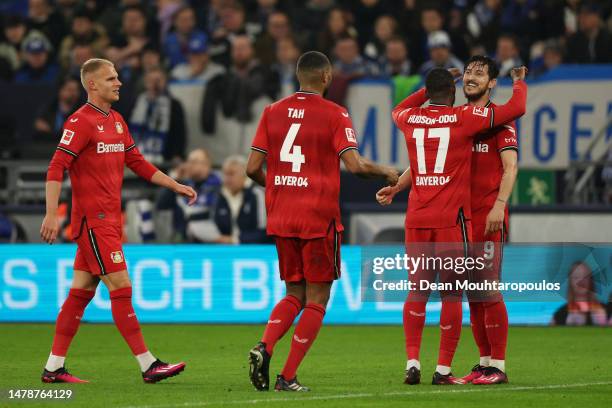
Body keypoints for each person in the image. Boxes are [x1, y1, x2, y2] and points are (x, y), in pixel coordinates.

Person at [246, 50, 398, 392]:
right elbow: (356, 166)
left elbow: (252, 169)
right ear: (326, 77)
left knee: (293, 292)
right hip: (318, 218)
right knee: (317, 298)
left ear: (299, 77)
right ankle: (287, 376)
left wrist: (279, 187)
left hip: (282, 216)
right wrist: (388, 172)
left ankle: (264, 345)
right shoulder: (335, 113)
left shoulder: (272, 112)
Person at [40, 58, 197, 384]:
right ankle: (148, 364)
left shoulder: (116, 120)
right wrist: (50, 214)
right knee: (121, 287)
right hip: (93, 221)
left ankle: (54, 367)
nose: (119, 83)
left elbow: (137, 162)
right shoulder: (79, 121)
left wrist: (175, 184)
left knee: (80, 293)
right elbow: (56, 167)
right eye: (111, 78)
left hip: (109, 219)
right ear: (92, 85)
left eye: (118, 77)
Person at [376, 65, 527, 385]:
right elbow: (425, 162)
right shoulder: (460, 117)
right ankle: (483, 362)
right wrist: (399, 186)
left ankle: (497, 365)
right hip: (458, 220)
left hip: (485, 216)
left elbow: (511, 167)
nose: (471, 77)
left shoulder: (499, 121)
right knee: (468, 293)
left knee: (486, 289)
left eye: (479, 73)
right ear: (457, 87)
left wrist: (500, 204)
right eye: (468, 73)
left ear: (491, 83)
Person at [212, 155, 268, 244]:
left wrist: (235, 240)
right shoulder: (219, 195)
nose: (227, 178)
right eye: (225, 174)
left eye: (231, 174)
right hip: (224, 249)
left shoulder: (257, 194)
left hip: (253, 250)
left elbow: (264, 231)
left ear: (244, 175)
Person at [552, 262, 608, 326]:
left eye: (585, 277)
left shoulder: (606, 311)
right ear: (570, 282)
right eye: (576, 277)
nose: (581, 281)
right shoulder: (560, 315)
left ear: (591, 280)